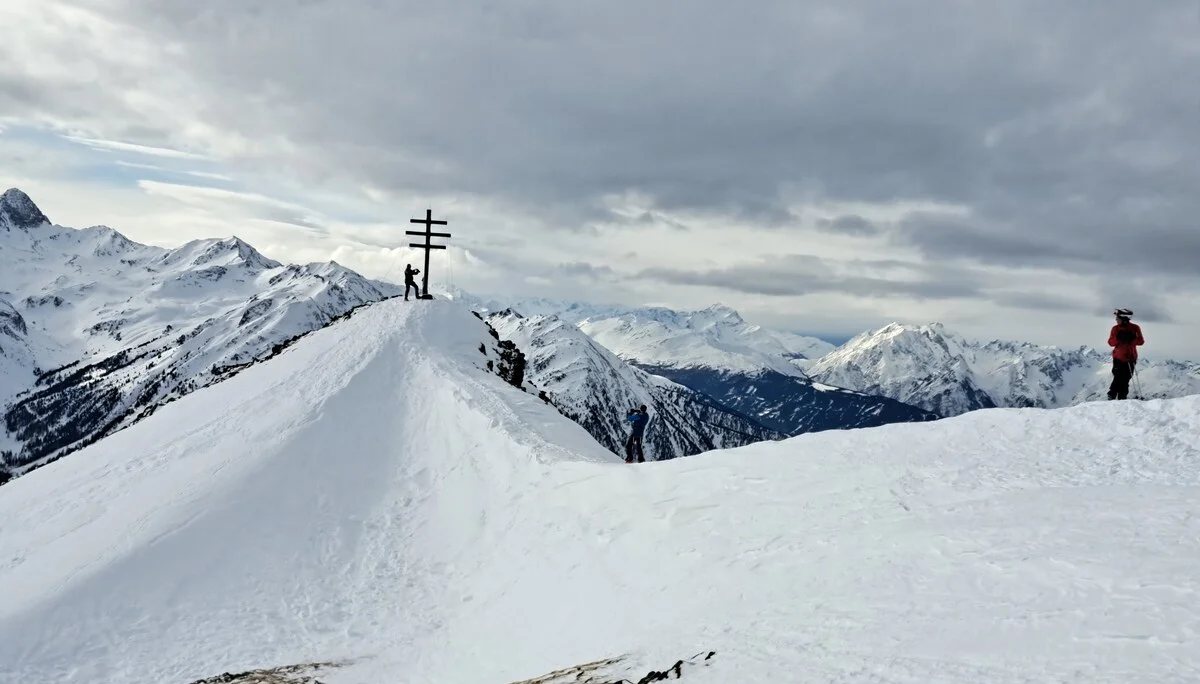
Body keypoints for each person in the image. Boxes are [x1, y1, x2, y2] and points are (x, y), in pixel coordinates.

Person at [1107, 308, 1144, 400]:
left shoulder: (1135, 328)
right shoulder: (1115, 329)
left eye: (1117, 318)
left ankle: (1120, 397)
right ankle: (1113, 394)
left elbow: (1141, 341)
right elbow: (1110, 342)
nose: (1116, 319)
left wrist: (1131, 339)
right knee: (1118, 376)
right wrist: (1118, 338)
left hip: (1131, 358)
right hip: (1118, 358)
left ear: (1124, 319)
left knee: (1126, 378)